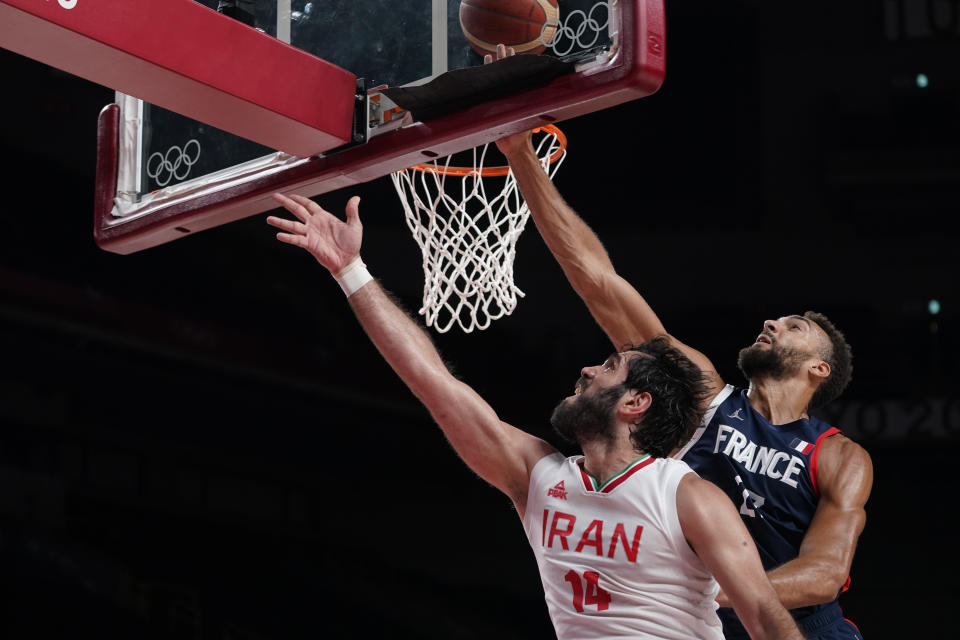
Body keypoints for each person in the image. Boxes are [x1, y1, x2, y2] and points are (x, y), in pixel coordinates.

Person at [266, 192, 805, 640]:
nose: (588, 369)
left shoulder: (686, 495)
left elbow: (762, 616)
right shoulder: (540, 477)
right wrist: (350, 270)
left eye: (610, 366)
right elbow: (434, 383)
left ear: (635, 403)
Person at [487, 44, 873, 640]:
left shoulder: (838, 456)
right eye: (777, 319)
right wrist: (519, 154)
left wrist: (722, 582)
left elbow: (824, 572)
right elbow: (600, 284)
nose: (772, 324)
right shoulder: (703, 396)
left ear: (819, 369)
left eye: (793, 327)